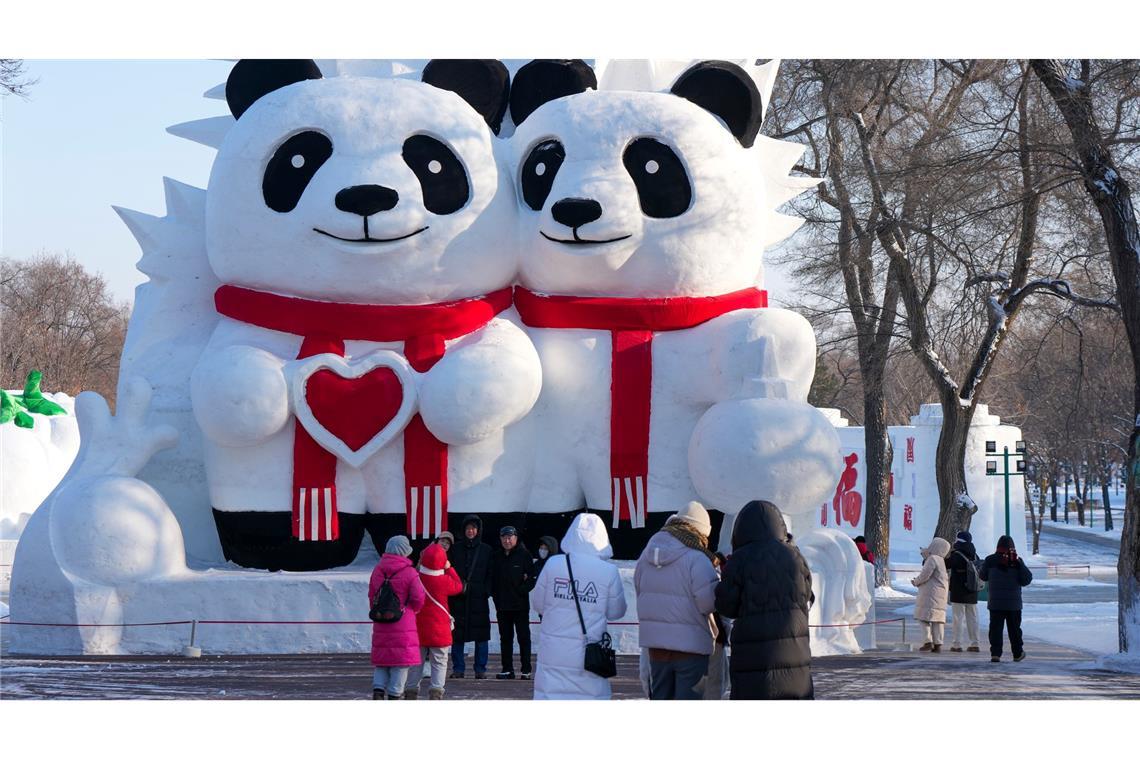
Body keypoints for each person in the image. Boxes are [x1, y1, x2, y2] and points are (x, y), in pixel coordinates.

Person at [715, 500, 814, 699]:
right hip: (796, 657)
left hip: (753, 660)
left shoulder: (740, 560)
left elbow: (726, 606)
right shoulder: (795, 556)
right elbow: (808, 597)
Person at [531, 513, 627, 700]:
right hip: (588, 654)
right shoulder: (608, 571)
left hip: (554, 652)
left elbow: (538, 604)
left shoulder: (553, 564)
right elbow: (617, 612)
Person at [634, 501, 719, 700]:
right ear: (700, 531)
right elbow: (708, 603)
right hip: (692, 651)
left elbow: (639, 592)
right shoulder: (698, 559)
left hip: (656, 649)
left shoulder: (646, 554)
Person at [369, 535, 426, 699]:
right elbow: (418, 598)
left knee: (382, 662)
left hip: (381, 621)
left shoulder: (377, 570)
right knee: (401, 664)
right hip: (403, 621)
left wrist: (379, 613)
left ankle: (378, 692)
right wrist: (411, 610)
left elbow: (372, 596)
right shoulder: (409, 572)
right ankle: (394, 695)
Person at [408, 542, 464, 699]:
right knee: (439, 662)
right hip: (439, 630)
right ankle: (436, 691)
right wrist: (449, 568)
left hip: (418, 629)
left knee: (416, 663)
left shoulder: (415, 579)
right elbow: (459, 586)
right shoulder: (444, 581)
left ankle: (411, 689)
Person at [447, 514, 493, 679]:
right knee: (457, 636)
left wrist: (485, 591)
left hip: (479, 599)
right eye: (468, 528)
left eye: (473, 528)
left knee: (481, 636)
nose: (471, 531)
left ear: (478, 530)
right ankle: (458, 668)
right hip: (458, 597)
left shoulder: (486, 550)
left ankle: (480, 669)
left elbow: (490, 573)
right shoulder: (455, 549)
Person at [979, 535, 1033, 662]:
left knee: (995, 629)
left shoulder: (990, 560)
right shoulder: (1016, 561)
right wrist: (1020, 564)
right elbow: (1026, 580)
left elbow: (983, 576)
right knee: (1014, 629)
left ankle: (996, 654)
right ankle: (1017, 653)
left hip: (995, 602)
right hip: (1013, 603)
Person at [491, 525, 535, 679]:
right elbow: (492, 579)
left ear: (516, 538)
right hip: (502, 606)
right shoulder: (497, 556)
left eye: (510, 537)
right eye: (504, 537)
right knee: (506, 639)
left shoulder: (524, 555)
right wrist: (495, 597)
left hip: (520, 606)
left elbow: (532, 578)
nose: (507, 540)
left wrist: (521, 591)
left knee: (523, 637)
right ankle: (507, 669)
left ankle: (526, 670)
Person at [911, 536, 950, 653]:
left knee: (923, 618)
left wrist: (916, 581)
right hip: (941, 595)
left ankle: (927, 641)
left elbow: (925, 574)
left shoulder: (932, 559)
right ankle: (938, 643)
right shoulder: (941, 560)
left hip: (930, 594)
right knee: (938, 620)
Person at [945, 530, 981, 652]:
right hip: (972, 590)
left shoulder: (957, 555)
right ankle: (974, 643)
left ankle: (957, 644)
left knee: (958, 618)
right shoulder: (975, 555)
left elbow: (945, 564)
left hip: (958, 591)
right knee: (973, 617)